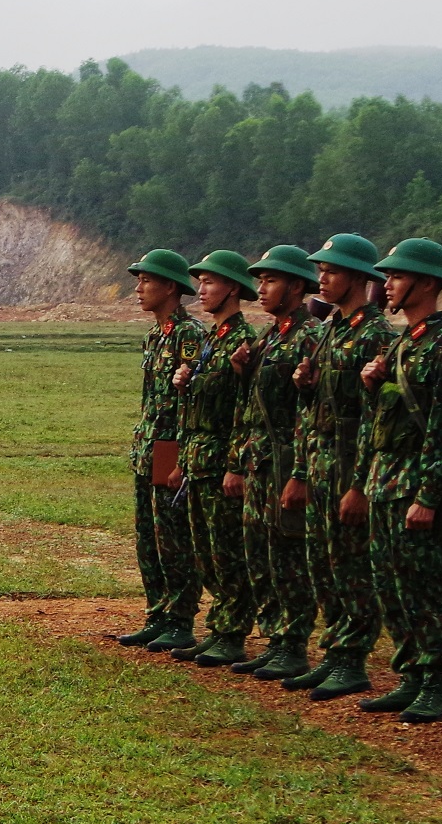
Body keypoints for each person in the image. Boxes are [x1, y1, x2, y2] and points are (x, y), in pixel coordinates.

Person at [356, 238, 442, 722]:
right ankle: (409, 674)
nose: (387, 285)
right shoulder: (404, 341)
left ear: (426, 283)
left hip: (416, 485)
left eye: (398, 277)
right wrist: (372, 386)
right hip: (386, 480)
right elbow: (387, 418)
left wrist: (428, 496)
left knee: (424, 586)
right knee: (390, 584)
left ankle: (435, 679)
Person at [285, 234, 389, 700]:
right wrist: (306, 386)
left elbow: (374, 417)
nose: (322, 278)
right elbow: (316, 410)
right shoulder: (332, 328)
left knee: (352, 566)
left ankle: (352, 657)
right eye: (322, 270)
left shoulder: (376, 334)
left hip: (350, 466)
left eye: (332, 271)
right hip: (322, 461)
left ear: (358, 277)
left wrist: (361, 484)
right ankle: (333, 651)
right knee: (323, 563)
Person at [176, 250, 265, 664]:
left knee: (228, 551)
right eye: (201, 282)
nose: (201, 289)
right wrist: (185, 382)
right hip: (199, 459)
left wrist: (236, 465)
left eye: (210, 282)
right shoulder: (212, 339)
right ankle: (219, 626)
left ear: (232, 288)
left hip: (221, 461)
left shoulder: (242, 341)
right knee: (206, 552)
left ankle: (233, 631)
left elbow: (245, 411)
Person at [118, 249, 207, 653]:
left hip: (172, 445)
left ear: (170, 286)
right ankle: (157, 613)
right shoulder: (155, 335)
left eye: (146, 281)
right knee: (147, 537)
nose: (139, 289)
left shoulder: (189, 335)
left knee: (173, 537)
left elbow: (192, 402)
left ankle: (180, 619)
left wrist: (183, 457)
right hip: (149, 445)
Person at [236, 244, 318, 682]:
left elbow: (309, 413)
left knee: (288, 556)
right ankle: (274, 639)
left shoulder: (308, 336)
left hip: (286, 461)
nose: (262, 288)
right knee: (261, 554)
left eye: (271, 280)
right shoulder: (270, 336)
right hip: (260, 461)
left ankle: (293, 642)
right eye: (261, 280)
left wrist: (300, 473)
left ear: (296, 286)